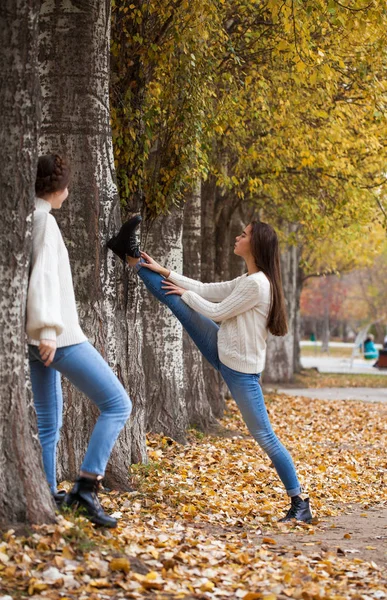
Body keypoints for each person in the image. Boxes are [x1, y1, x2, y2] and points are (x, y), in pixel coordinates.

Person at [107, 217, 312, 523]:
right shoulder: (250, 279)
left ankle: (300, 502)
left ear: (254, 246)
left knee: (265, 436)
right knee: (175, 299)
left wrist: (182, 293)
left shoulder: (257, 285)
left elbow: (216, 310)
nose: (237, 238)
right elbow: (208, 289)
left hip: (240, 370)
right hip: (225, 349)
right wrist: (166, 272)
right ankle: (130, 254)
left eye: (243, 235)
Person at [27, 154, 132, 528]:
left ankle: (45, 491)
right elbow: (42, 281)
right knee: (118, 403)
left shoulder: (29, 220)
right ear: (57, 189)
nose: (68, 192)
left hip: (39, 338)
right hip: (58, 338)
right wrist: (48, 333)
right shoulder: (45, 223)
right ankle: (86, 489)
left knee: (49, 422)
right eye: (66, 186)